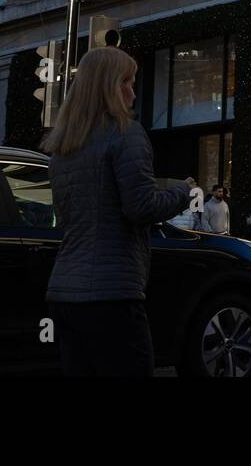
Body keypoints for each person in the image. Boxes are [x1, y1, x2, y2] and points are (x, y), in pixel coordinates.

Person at [42, 47, 193, 376]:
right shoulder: (126, 133)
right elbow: (141, 206)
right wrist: (183, 192)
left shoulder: (64, 146)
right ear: (108, 86)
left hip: (65, 290)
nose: (133, 92)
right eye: (127, 81)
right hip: (111, 290)